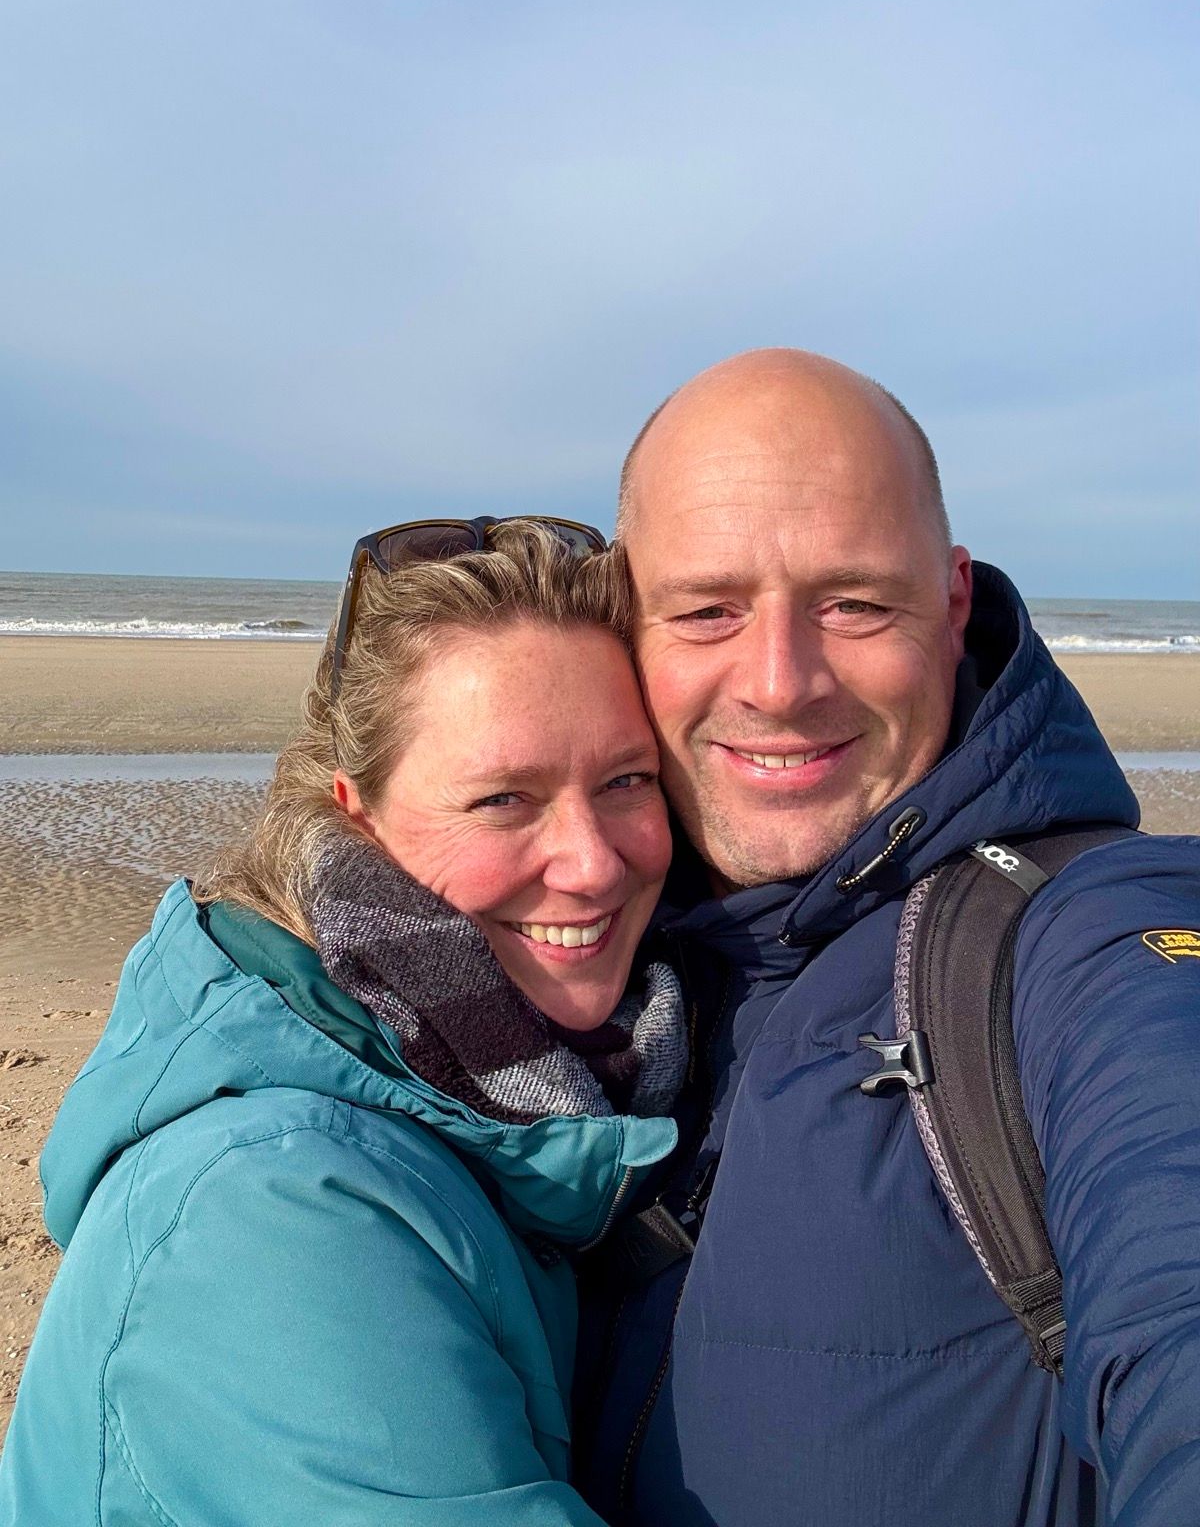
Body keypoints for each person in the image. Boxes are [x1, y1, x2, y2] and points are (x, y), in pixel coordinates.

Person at [574, 350, 1200, 1527]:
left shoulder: (1086, 940)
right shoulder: (582, 961)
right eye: (707, 610)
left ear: (954, 603)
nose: (778, 683)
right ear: (625, 622)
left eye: (854, 603)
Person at [0, 518, 684, 1526]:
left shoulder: (536, 1086)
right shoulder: (273, 1208)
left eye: (627, 780)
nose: (591, 863)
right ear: (355, 812)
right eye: (503, 799)